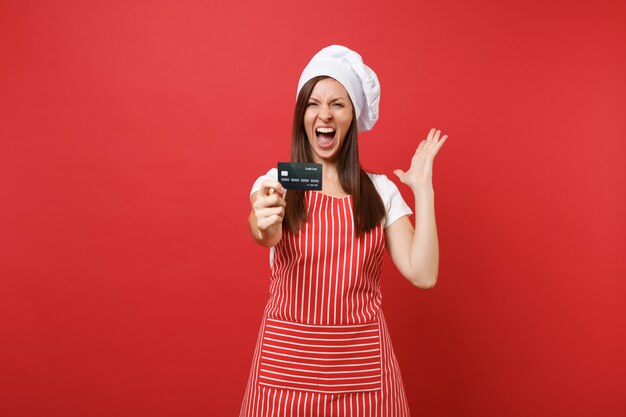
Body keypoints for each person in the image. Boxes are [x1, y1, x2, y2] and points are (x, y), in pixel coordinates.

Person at [239, 45, 447, 417]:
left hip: (362, 376)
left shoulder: (380, 191)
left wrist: (423, 188)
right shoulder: (278, 181)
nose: (324, 114)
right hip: (287, 372)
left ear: (353, 116)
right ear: (302, 114)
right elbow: (263, 232)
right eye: (314, 103)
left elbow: (424, 273)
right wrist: (264, 221)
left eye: (338, 104)